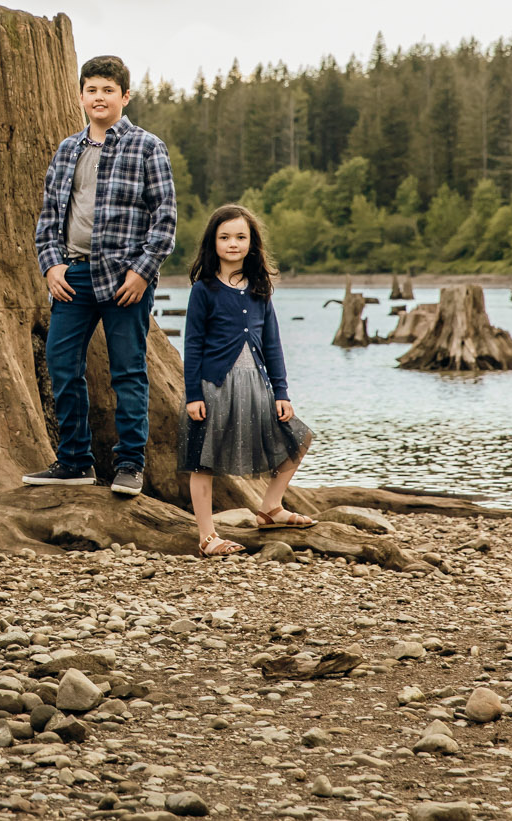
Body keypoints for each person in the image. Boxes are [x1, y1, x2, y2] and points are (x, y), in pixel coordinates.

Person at [26, 54, 177, 497]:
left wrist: (143, 273)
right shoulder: (68, 149)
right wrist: (51, 264)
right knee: (61, 364)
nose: (99, 97)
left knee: (128, 371)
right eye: (92, 89)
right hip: (73, 276)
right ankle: (75, 461)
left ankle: (130, 464)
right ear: (80, 96)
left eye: (108, 90)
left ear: (124, 96)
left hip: (125, 279)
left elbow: (165, 220)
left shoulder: (148, 146)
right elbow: (49, 216)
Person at [182, 204, 315, 557]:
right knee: (203, 461)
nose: (233, 243)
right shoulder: (204, 289)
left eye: (241, 237)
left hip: (257, 386)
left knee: (298, 439)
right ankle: (207, 536)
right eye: (225, 237)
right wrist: (193, 394)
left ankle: (270, 508)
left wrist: (281, 391)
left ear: (252, 242)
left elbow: (272, 343)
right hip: (214, 388)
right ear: (213, 243)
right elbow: (192, 344)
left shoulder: (260, 287)